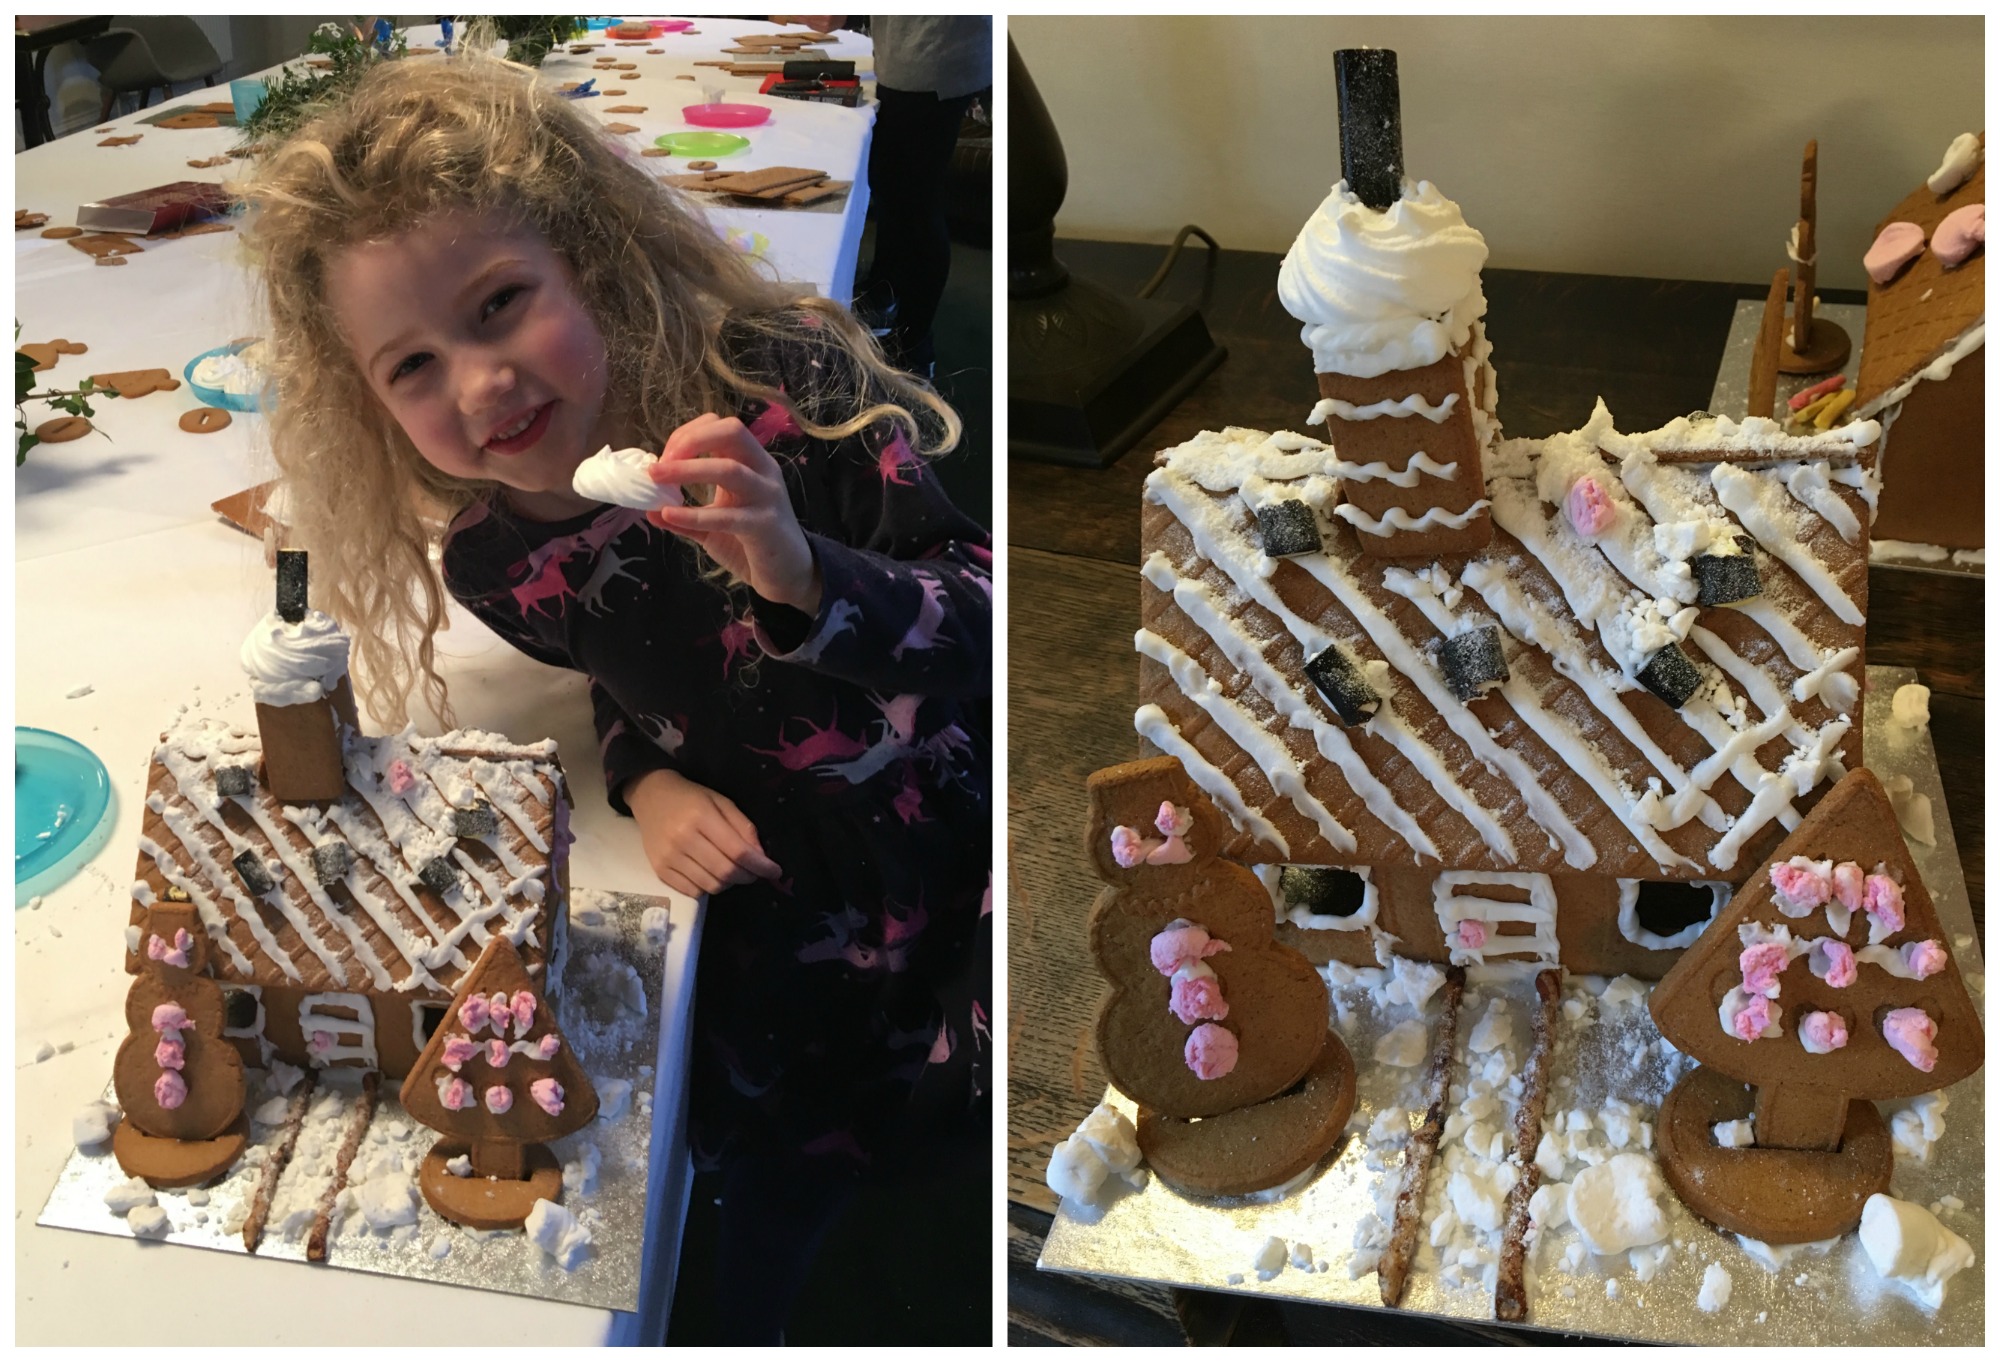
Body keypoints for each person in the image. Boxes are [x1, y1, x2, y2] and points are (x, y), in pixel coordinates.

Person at [235, 34, 990, 1343]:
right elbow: (629, 674)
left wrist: (801, 568)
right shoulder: (497, 555)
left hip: (937, 874)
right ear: (364, 401)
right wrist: (648, 776)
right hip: (774, 939)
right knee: (763, 1199)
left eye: (499, 303)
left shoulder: (790, 380)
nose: (478, 383)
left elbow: (981, 616)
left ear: (586, 256)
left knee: (954, 1158)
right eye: (409, 365)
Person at [776, 16, 991, 378]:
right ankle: (883, 289)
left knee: (917, 203)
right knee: (892, 183)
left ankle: (913, 347)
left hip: (933, 57)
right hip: (906, 53)